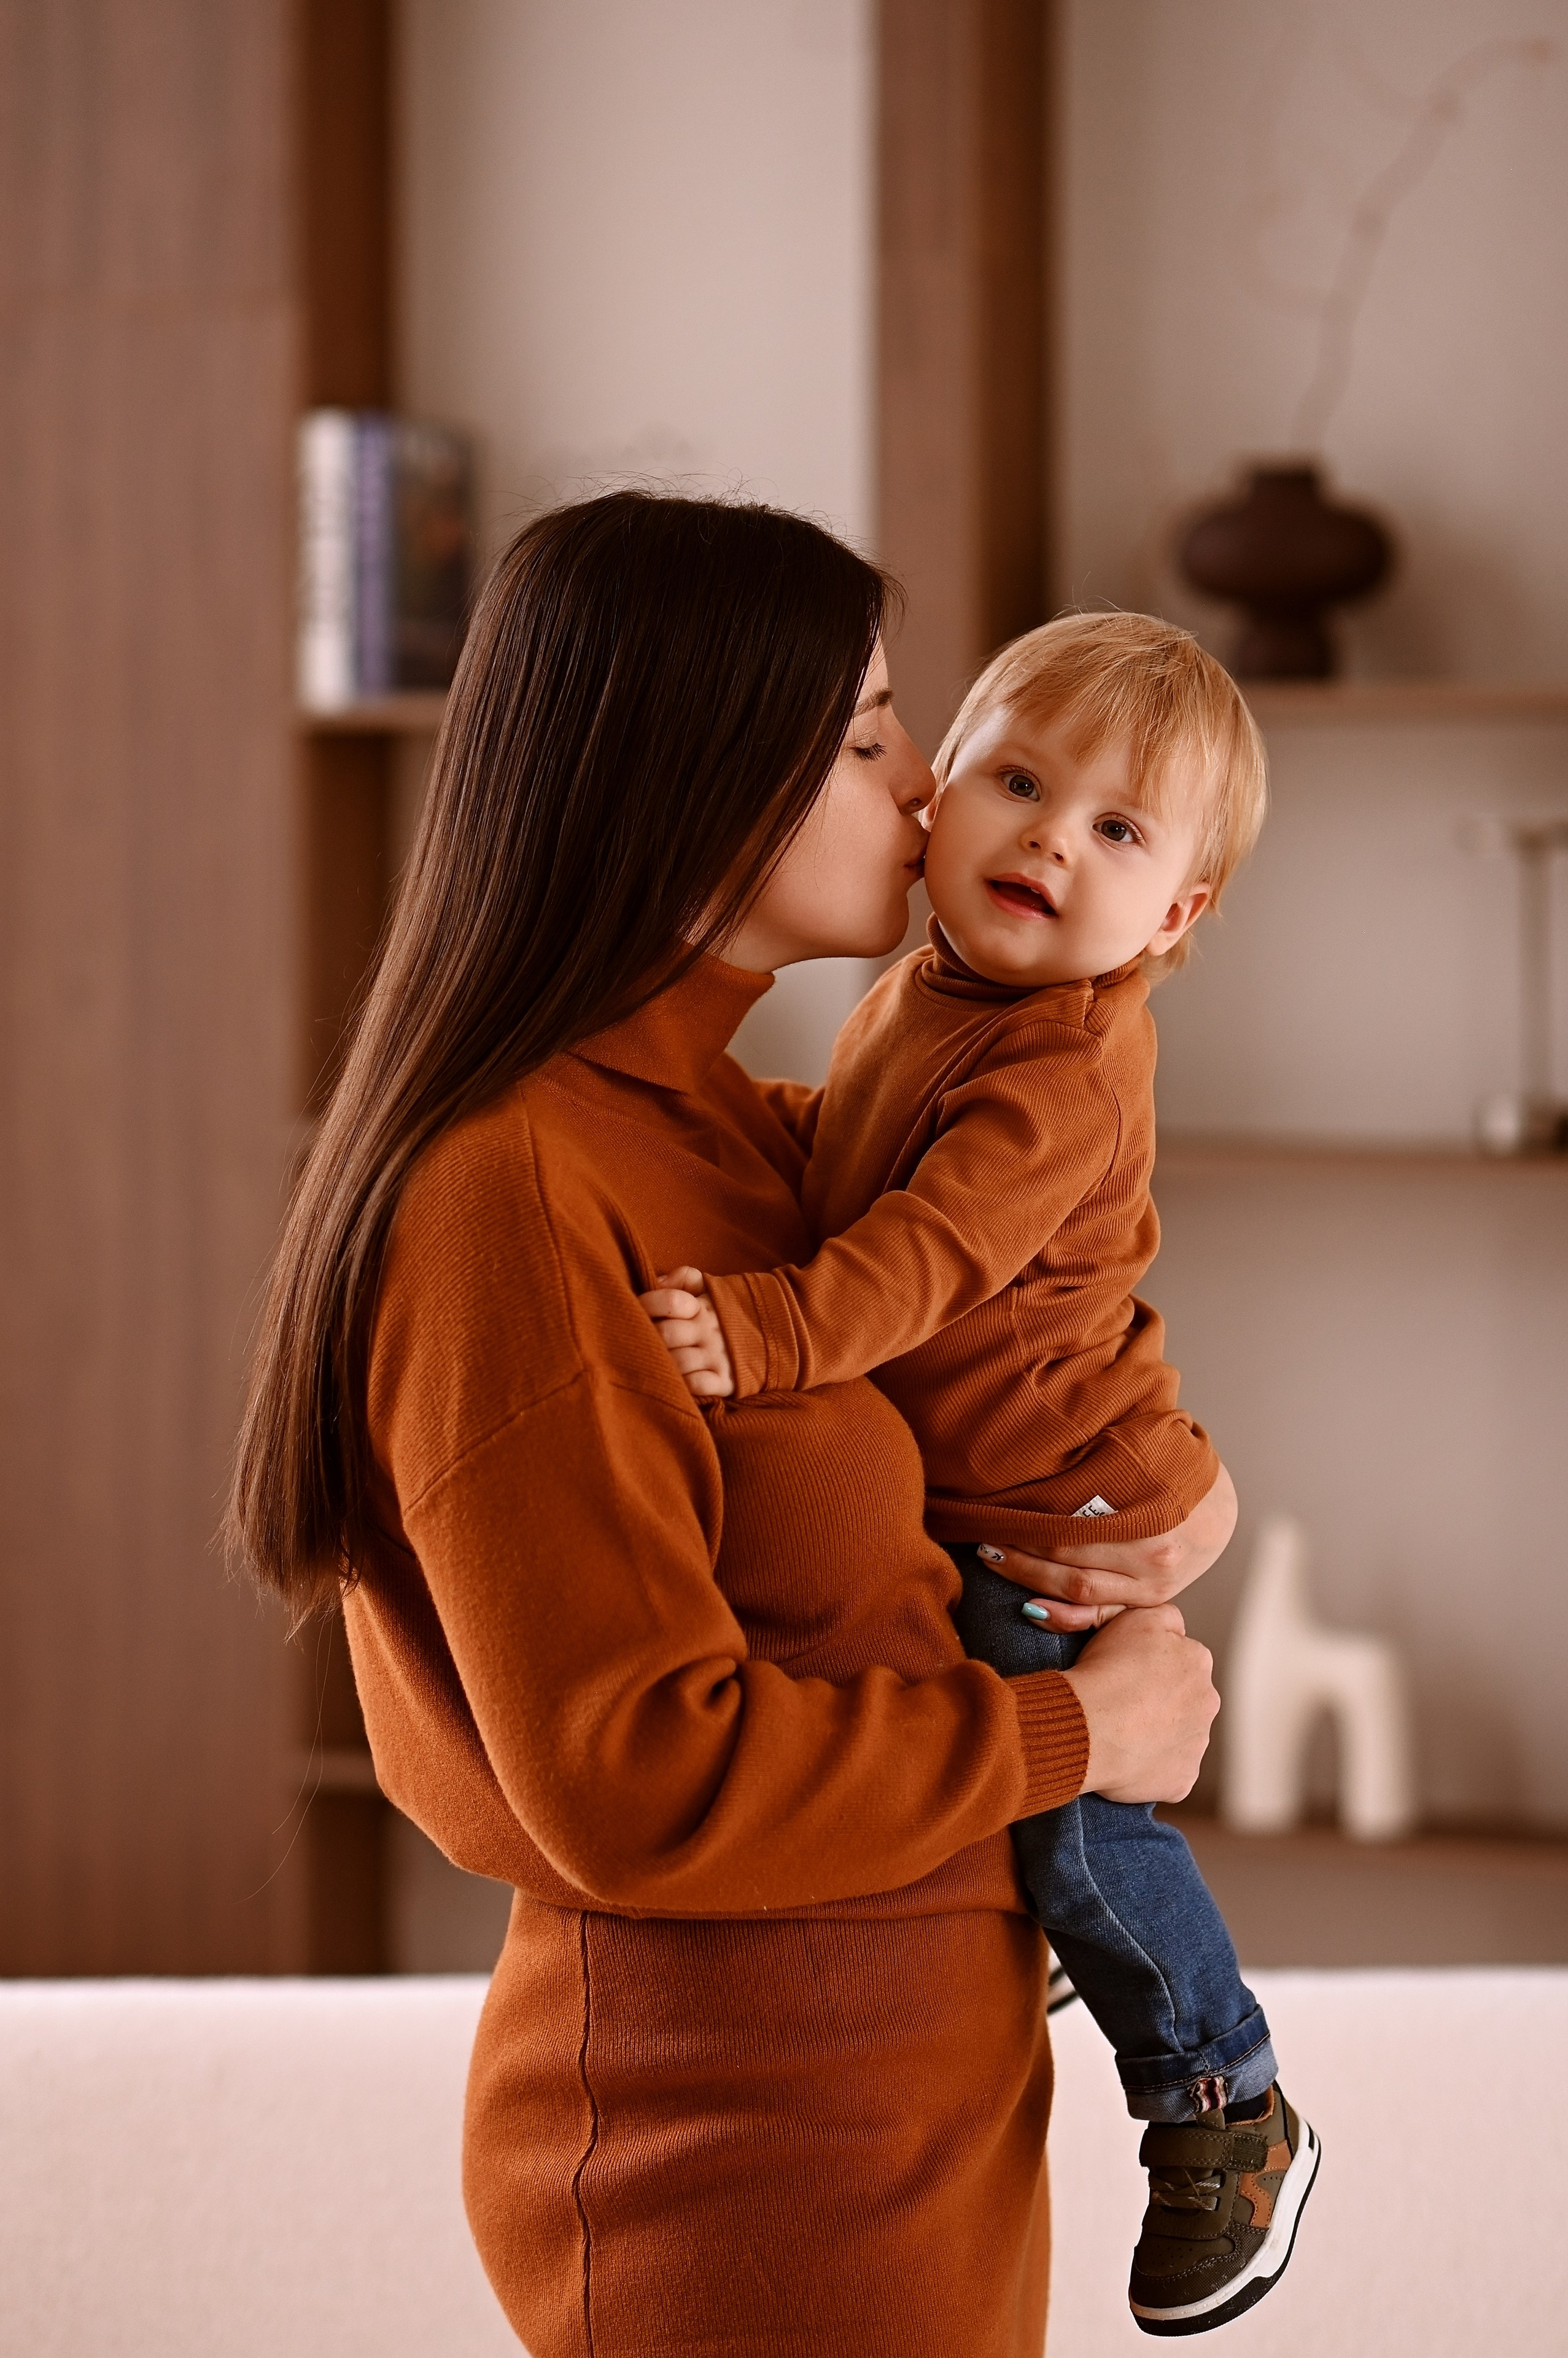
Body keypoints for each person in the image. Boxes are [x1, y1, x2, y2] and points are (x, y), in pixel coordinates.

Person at [227, 496, 1219, 2358]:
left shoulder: (761, 1147)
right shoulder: (517, 1194)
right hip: (742, 2165)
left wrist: (1183, 1501)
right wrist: (1079, 1730)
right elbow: (631, 1774)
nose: (927, 789)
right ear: (694, 780)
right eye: (867, 736)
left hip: (918, 2117)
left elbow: (1039, 1316)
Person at [642, 612, 1320, 2337]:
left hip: (1053, 1498)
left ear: (1172, 918)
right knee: (1024, 1793)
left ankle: (1223, 2094)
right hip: (1012, 1469)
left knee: (1082, 1816)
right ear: (941, 790)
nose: (1049, 840)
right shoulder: (936, 989)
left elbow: (931, 1251)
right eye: (1019, 782)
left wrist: (770, 1332)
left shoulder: (1061, 1064)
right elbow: (857, 1150)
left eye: (1117, 830)